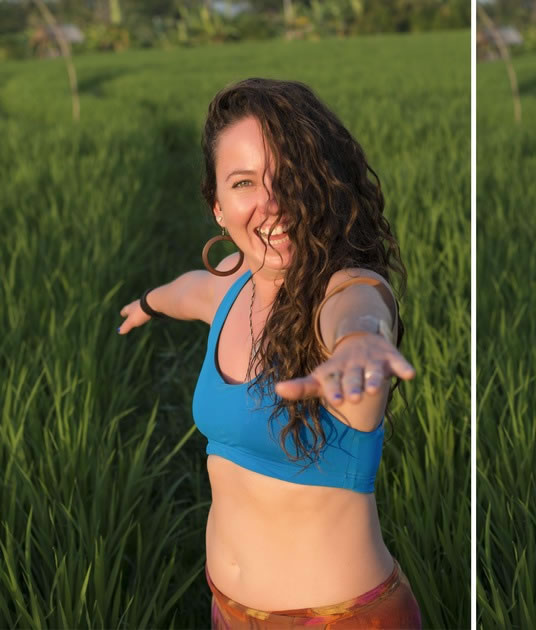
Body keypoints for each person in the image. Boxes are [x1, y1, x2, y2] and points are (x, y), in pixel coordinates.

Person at [118, 78, 422, 629]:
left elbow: (361, 307)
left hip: (341, 619)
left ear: (323, 185)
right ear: (217, 205)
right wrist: (146, 304)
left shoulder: (344, 287)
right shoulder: (231, 286)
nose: (271, 203)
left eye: (290, 178)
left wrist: (359, 343)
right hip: (228, 611)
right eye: (243, 182)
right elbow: (187, 291)